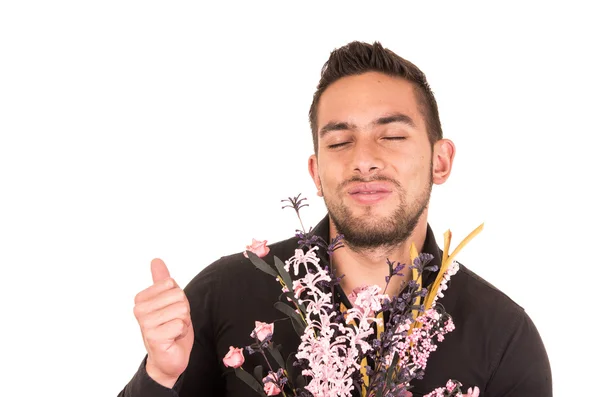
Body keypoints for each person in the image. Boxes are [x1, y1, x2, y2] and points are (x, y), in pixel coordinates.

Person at [118, 41, 552, 397]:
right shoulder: (224, 294)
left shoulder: (504, 338)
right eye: (341, 141)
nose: (364, 160)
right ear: (316, 174)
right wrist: (160, 376)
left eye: (393, 136)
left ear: (441, 161)